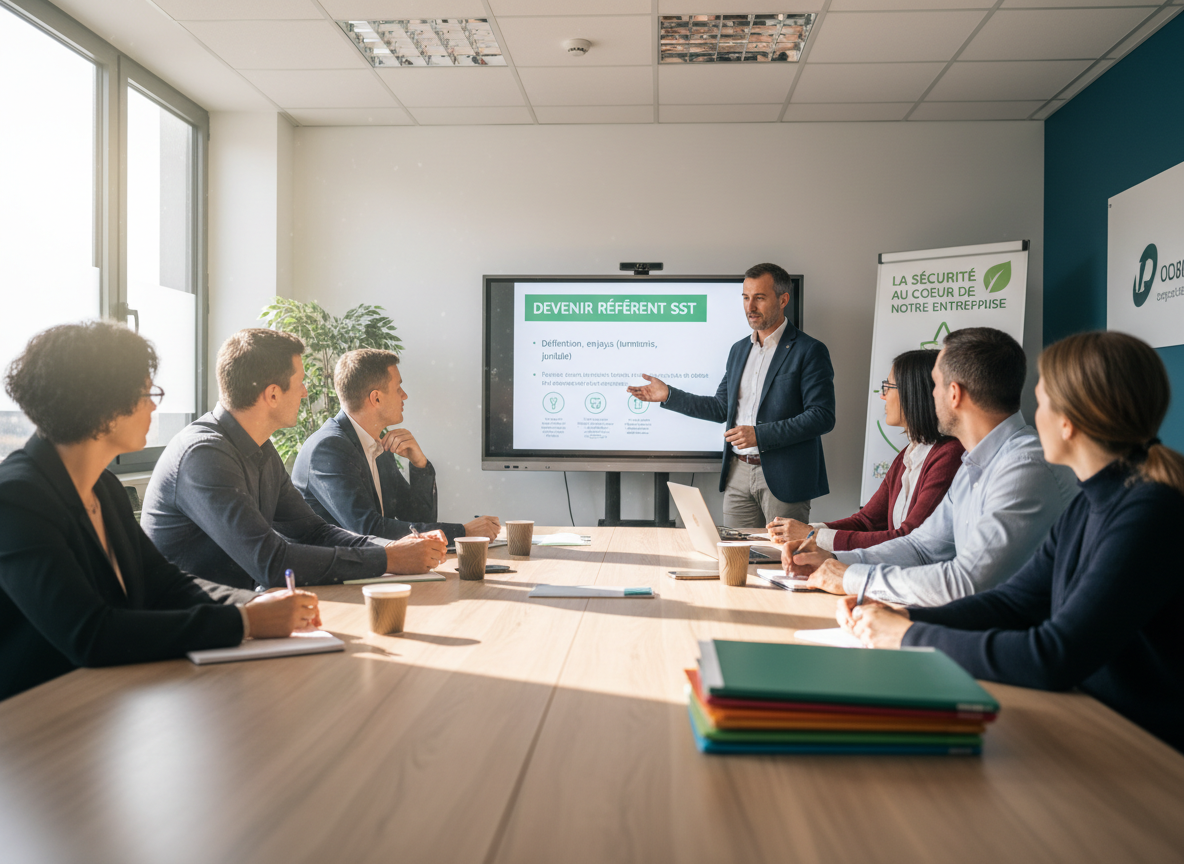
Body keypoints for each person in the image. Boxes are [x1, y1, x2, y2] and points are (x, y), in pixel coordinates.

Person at [841, 331, 1184, 752]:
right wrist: (905, 616)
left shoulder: (1150, 512)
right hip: (1099, 727)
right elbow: (1014, 602)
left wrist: (907, 637)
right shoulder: (1091, 503)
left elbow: (1054, 655)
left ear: (1068, 421)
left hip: (1149, 752)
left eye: (1040, 402)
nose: (1031, 416)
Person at [0, 322, 319, 700]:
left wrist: (254, 603)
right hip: (36, 717)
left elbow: (163, 581)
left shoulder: (105, 488)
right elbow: (91, 634)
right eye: (146, 392)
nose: (154, 404)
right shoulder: (17, 498)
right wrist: (245, 621)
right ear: (100, 402)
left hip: (108, 696)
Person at [786, 327, 1077, 606]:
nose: (929, 395)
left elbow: (967, 582)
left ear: (954, 394)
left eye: (934, 385)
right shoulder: (974, 464)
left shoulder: (1023, 468)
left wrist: (852, 578)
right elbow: (921, 547)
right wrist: (834, 560)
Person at [142, 329, 447, 591]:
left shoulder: (260, 448)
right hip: (195, 634)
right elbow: (271, 562)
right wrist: (389, 559)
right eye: (300, 381)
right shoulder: (204, 455)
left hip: (244, 613)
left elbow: (314, 532)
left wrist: (392, 549)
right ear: (273, 394)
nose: (305, 393)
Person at [627, 263, 835, 528]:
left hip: (785, 477)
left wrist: (759, 435)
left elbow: (822, 417)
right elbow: (720, 408)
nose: (750, 307)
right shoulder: (739, 350)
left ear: (783, 299)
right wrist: (669, 395)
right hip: (738, 472)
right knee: (734, 558)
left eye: (759, 297)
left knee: (784, 559)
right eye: (746, 298)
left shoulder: (809, 350)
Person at [292, 348, 500, 543]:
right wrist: (463, 532)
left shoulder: (377, 443)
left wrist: (419, 465)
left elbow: (415, 518)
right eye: (398, 388)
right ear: (376, 398)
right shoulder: (329, 448)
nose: (404, 395)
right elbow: (367, 529)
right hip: (330, 579)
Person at [767, 349, 963, 552]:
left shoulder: (950, 455)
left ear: (913, 391)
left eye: (888, 387)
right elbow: (867, 522)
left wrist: (812, 536)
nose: (883, 396)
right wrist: (808, 530)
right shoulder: (910, 453)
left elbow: (909, 538)